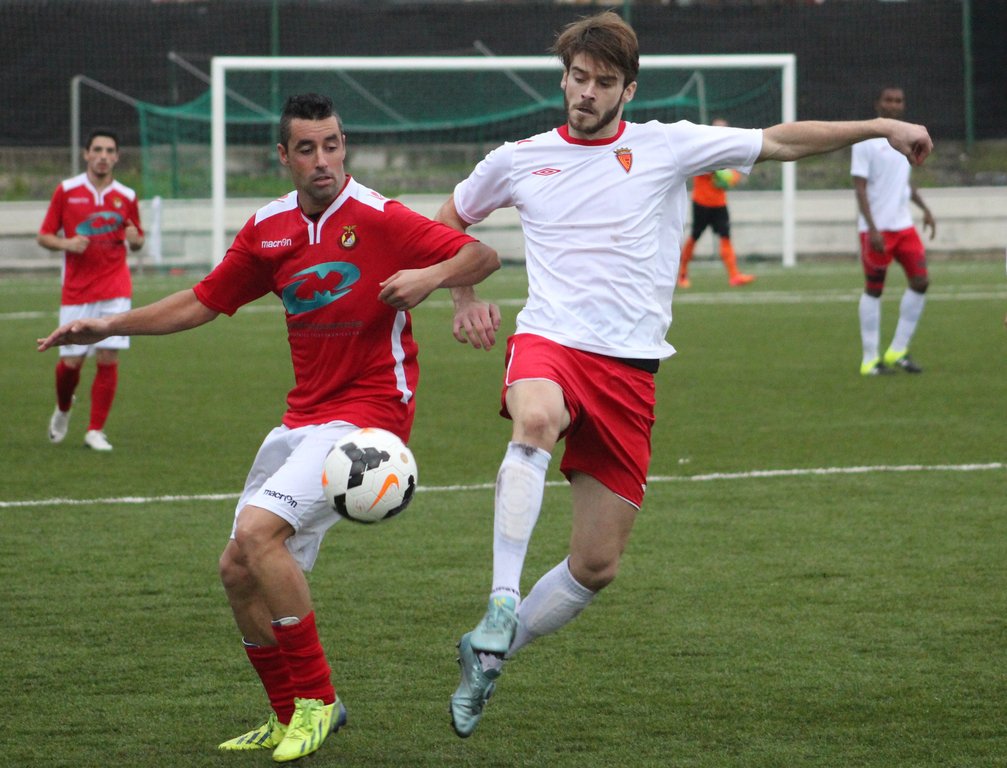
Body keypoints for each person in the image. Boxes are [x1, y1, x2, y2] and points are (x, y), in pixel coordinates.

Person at [436, 10, 932, 738]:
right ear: (564, 78)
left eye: (603, 82)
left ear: (628, 90)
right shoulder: (518, 158)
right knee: (535, 418)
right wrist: (463, 296)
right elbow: (446, 219)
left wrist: (879, 127)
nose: (586, 92)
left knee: (595, 566)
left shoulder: (666, 145)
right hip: (550, 342)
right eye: (578, 77)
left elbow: (781, 141)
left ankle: (490, 654)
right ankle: (501, 600)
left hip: (629, 371)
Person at [38, 93, 499, 763]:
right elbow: (202, 301)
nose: (323, 160)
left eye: (332, 145)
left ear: (344, 147)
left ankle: (318, 699)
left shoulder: (378, 215)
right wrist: (106, 324)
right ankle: (288, 714)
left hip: (370, 417)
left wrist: (429, 277)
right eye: (307, 148)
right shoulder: (268, 228)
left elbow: (481, 255)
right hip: (302, 416)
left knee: (258, 533)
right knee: (236, 568)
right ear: (283, 156)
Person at [38, 128, 145, 451]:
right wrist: (67, 243)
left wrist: (135, 239)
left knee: (108, 356)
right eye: (97, 150)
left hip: (115, 287)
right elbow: (44, 235)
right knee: (70, 363)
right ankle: (63, 408)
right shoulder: (67, 191)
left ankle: (95, 430)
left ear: (117, 157)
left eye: (109, 151)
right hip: (77, 290)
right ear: (86, 154)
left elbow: (137, 240)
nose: (103, 156)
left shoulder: (126, 196)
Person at [852, 86, 936, 376]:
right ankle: (870, 359)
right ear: (878, 104)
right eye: (888, 100)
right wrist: (872, 228)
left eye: (898, 100)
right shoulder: (865, 140)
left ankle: (898, 350)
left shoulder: (906, 137)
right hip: (877, 230)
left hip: (903, 227)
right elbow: (859, 187)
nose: (894, 104)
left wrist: (924, 208)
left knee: (921, 281)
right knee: (874, 290)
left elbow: (903, 180)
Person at [677, 117, 755, 288]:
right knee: (695, 236)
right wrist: (724, 175)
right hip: (702, 202)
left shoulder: (729, 151)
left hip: (719, 203)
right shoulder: (704, 148)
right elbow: (712, 170)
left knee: (725, 236)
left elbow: (733, 175)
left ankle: (734, 275)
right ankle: (682, 273)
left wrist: (731, 178)